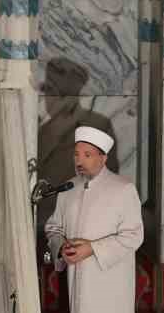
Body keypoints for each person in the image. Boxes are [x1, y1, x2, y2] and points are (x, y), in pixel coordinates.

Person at [43, 126, 143, 313]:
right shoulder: (68, 189)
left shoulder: (123, 189)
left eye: (87, 155)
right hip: (79, 280)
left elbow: (133, 235)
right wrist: (61, 247)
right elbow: (53, 227)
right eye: (77, 154)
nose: (80, 160)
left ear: (103, 157)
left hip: (109, 279)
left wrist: (93, 249)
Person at [33, 57, 116, 232]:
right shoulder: (42, 129)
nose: (46, 98)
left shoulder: (98, 124)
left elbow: (109, 176)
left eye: (50, 91)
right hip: (43, 224)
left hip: (85, 223)